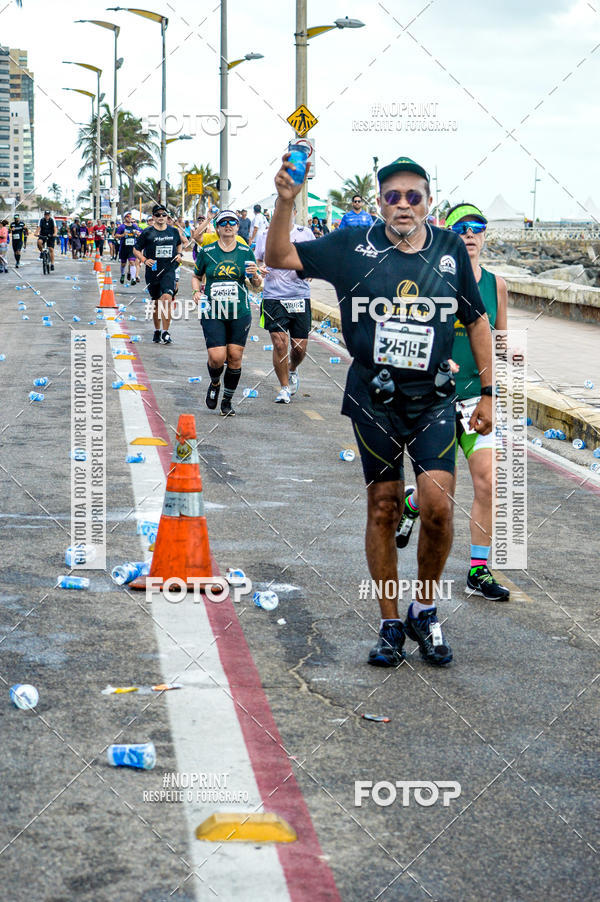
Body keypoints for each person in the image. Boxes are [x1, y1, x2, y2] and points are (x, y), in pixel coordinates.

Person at [266, 154, 494, 668]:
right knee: (385, 508)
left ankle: (425, 608)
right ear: (379, 202)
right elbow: (280, 255)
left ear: (429, 202)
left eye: (415, 196)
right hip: (374, 399)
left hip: (435, 398)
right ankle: (390, 622)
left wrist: (489, 393)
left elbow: (477, 320)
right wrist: (285, 200)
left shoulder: (450, 249)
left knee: (436, 508)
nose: (404, 205)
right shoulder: (351, 246)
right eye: (393, 196)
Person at [395, 202, 510, 602]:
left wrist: (495, 393)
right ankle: (411, 502)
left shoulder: (496, 285)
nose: (470, 234)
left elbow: (499, 343)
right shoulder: (434, 278)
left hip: (477, 402)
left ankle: (478, 570)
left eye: (478, 227)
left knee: (489, 481)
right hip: (437, 401)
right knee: (437, 498)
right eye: (462, 227)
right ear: (449, 233)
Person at [191, 210, 262, 417]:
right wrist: (196, 291)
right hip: (213, 310)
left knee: (234, 357)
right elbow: (196, 276)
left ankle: (227, 401)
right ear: (218, 227)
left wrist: (255, 277)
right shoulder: (208, 250)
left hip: (239, 311)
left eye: (233, 222)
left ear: (238, 227)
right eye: (224, 222)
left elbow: (256, 284)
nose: (228, 225)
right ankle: (214, 382)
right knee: (216, 357)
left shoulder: (245, 251)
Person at [255, 201, 315, 403]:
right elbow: (258, 262)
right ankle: (284, 388)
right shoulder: (264, 234)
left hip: (299, 296)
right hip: (274, 296)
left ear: (295, 212)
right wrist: (259, 270)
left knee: (299, 348)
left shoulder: (305, 233)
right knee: (280, 343)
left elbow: (315, 260)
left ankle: (292, 368)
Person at [134, 203, 183, 345]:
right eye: (157, 215)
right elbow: (136, 249)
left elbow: (179, 244)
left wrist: (179, 254)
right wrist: (144, 259)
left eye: (163, 215)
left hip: (169, 270)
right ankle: (157, 330)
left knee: (167, 299)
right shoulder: (148, 233)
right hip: (153, 271)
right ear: (153, 217)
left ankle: (166, 332)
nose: (161, 217)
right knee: (156, 303)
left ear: (167, 216)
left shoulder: (173, 231)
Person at [115, 212, 141, 285]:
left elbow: (140, 233)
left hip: (132, 248)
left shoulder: (134, 226)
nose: (129, 218)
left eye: (130, 216)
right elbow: (116, 235)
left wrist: (138, 233)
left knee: (132, 262)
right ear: (124, 218)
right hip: (123, 247)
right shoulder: (122, 227)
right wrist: (123, 235)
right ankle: (123, 274)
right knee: (123, 264)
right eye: (127, 216)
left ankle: (133, 278)